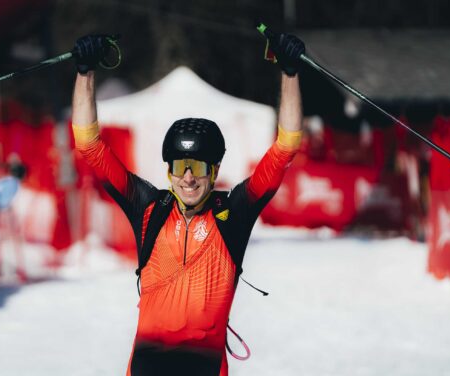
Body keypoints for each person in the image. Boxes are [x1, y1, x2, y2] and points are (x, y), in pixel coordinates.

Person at [71, 33, 305, 376]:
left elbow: (286, 146)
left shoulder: (233, 213)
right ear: (168, 170)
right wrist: (84, 72)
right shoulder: (149, 208)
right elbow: (89, 144)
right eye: (181, 166)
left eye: (199, 167)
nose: (189, 178)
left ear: (215, 171)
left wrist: (289, 73)